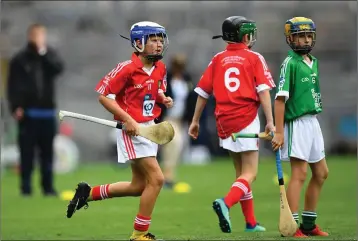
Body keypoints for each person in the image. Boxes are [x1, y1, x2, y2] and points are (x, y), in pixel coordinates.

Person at [66, 21, 173, 241]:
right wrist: (128, 119)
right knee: (157, 179)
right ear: (138, 43)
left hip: (150, 129)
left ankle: (88, 194)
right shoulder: (127, 68)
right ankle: (139, 234)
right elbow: (104, 96)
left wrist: (162, 98)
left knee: (138, 186)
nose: (159, 44)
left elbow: (156, 88)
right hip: (131, 131)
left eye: (160, 39)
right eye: (153, 40)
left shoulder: (160, 67)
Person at [188, 16, 276, 233]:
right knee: (251, 173)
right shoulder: (254, 58)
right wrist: (271, 122)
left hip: (224, 121)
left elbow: (202, 92)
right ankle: (225, 203)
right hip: (246, 118)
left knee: (241, 175)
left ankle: (251, 222)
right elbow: (263, 91)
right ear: (245, 35)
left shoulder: (217, 59)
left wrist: (195, 121)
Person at [271, 17, 329, 237]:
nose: (305, 40)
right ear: (290, 38)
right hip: (296, 123)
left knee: (322, 173)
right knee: (300, 173)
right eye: (300, 36)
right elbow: (280, 99)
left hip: (312, 122)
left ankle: (309, 223)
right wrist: (278, 131)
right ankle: (292, 225)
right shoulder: (290, 63)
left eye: (308, 36)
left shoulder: (313, 61)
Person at [7, 23, 64, 196]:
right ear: (30, 36)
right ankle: (26, 188)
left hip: (47, 113)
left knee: (47, 153)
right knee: (27, 153)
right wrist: (15, 106)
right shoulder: (20, 59)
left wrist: (43, 53)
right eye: (36, 35)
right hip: (28, 113)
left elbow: (58, 69)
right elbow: (13, 85)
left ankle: (48, 187)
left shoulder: (49, 55)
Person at [159, 53, 193, 189]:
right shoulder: (167, 78)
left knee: (178, 146)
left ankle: (167, 175)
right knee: (174, 142)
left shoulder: (186, 79)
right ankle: (167, 176)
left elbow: (190, 99)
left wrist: (190, 119)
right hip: (168, 118)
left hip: (180, 119)